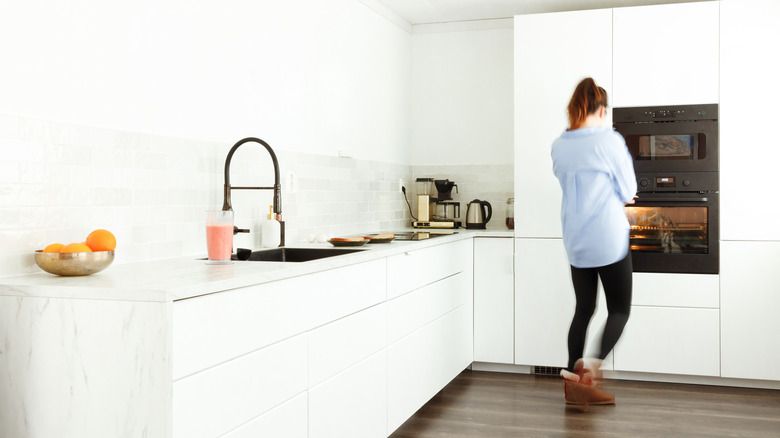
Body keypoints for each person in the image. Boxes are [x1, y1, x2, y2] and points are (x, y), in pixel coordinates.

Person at [551, 77, 637, 409]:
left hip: (576, 240)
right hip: (609, 239)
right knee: (619, 309)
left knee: (584, 309)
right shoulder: (609, 141)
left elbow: (569, 182)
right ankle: (591, 370)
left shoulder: (559, 145)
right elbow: (628, 190)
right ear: (601, 110)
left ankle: (575, 388)